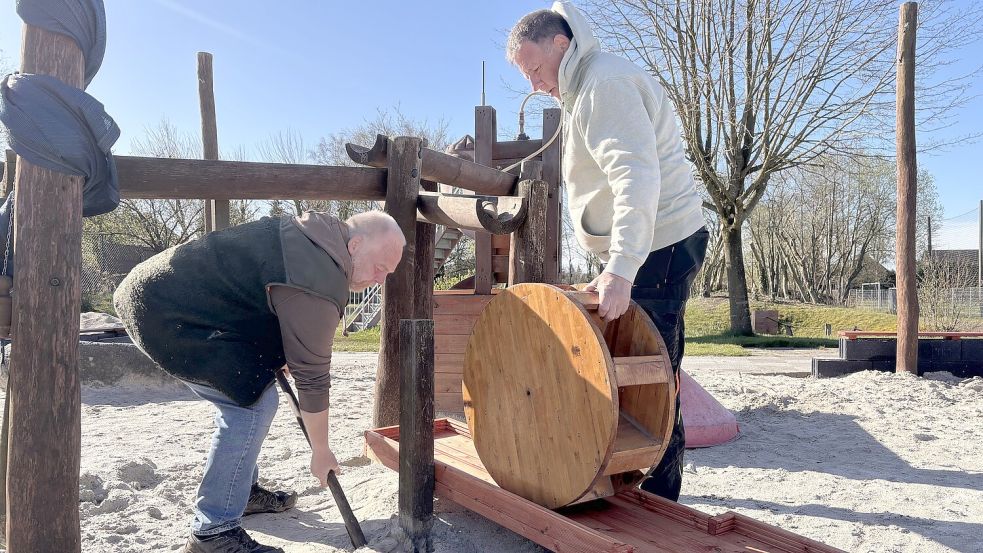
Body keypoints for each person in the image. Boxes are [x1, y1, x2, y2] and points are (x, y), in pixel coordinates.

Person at [506, 2, 709, 501]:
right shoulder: (584, 87)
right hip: (648, 246)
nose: (533, 84)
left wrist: (620, 268)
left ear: (561, 44)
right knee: (640, 368)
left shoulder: (603, 84)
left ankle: (660, 502)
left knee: (654, 377)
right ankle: (635, 484)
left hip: (658, 246)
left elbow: (635, 177)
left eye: (534, 68)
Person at [114, 210, 406, 553]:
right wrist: (322, 451)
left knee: (254, 386)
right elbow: (312, 377)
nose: (380, 280)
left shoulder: (319, 235)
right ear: (355, 245)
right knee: (250, 407)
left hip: (165, 297)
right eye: (379, 267)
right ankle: (213, 532)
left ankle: (241, 490)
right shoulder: (318, 277)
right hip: (165, 312)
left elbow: (262, 300)